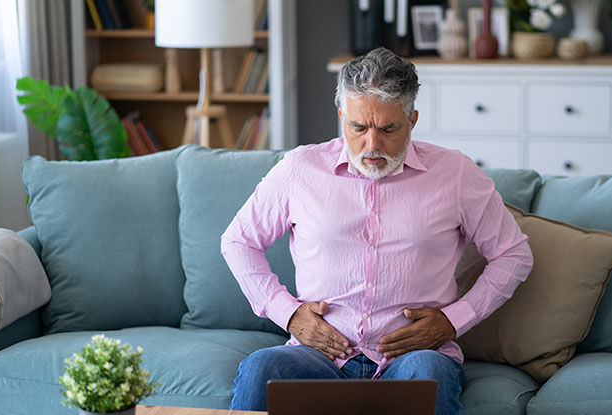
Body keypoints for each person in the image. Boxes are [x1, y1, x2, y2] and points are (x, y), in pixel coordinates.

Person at [221, 47, 533, 415]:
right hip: (317, 356)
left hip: (416, 358)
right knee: (261, 367)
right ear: (341, 117)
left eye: (388, 129)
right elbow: (238, 241)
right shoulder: (299, 169)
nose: (372, 145)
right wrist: (288, 313)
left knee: (430, 371)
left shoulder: (456, 173)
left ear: (412, 120)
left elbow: (513, 255)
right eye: (358, 128)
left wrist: (453, 320)